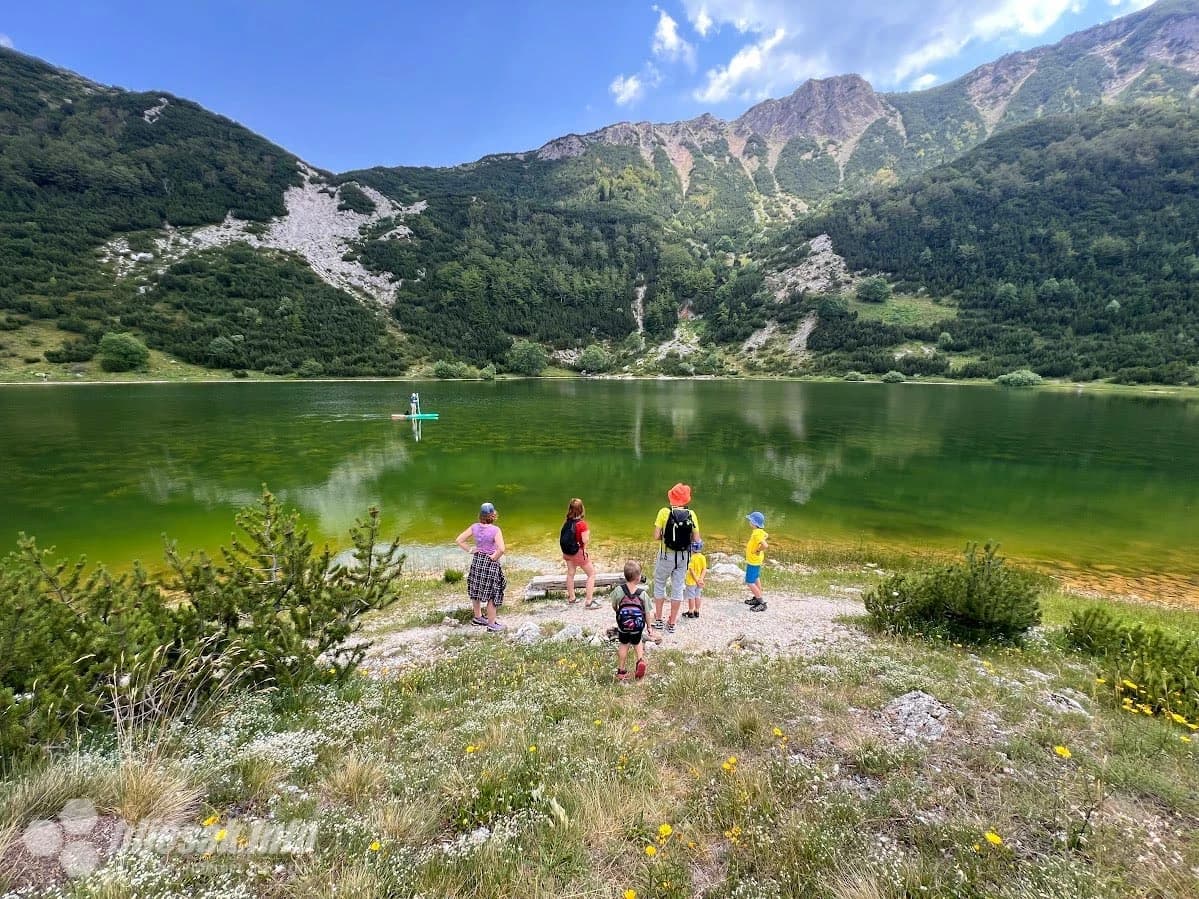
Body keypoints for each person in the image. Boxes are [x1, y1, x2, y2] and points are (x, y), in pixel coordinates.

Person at [652, 483, 700, 634]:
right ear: (686, 499)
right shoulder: (691, 514)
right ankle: (672, 623)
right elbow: (697, 539)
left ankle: (658, 620)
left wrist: (665, 537)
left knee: (660, 584)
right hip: (684, 557)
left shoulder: (664, 512)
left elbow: (656, 536)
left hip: (666, 555)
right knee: (678, 587)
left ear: (671, 497)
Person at [455, 501, 507, 632]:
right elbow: (501, 549)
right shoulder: (495, 530)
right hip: (489, 562)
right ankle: (491, 624)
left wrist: (471, 550)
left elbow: (459, 540)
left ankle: (478, 617)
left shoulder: (474, 527)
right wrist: (494, 557)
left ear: (480, 515)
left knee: (475, 589)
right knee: (493, 592)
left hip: (477, 560)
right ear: (493, 515)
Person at [610, 559, 652, 681]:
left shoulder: (619, 590)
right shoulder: (642, 593)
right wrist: (649, 627)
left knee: (624, 645)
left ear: (625, 576)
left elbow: (614, 604)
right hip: (637, 626)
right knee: (637, 642)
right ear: (638, 578)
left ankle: (621, 671)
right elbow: (647, 612)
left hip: (623, 626)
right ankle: (640, 661)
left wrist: (617, 611)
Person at [560, 498, 598, 608]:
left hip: (567, 553)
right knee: (591, 574)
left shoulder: (567, 522)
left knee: (571, 573)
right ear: (581, 509)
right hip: (577, 552)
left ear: (570, 509)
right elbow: (584, 540)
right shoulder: (581, 524)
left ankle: (572, 598)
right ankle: (589, 601)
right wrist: (585, 547)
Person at [743, 511, 769, 612]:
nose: (749, 522)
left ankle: (761, 602)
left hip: (753, 561)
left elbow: (765, 545)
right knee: (756, 578)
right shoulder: (760, 532)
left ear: (754, 523)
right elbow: (766, 535)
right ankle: (757, 597)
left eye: (750, 520)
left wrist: (757, 550)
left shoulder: (756, 534)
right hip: (757, 560)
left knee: (749, 581)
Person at [683, 539, 707, 619]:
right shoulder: (702, 557)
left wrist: (696, 580)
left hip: (691, 581)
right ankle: (697, 611)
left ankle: (690, 612)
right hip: (699, 582)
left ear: (692, 548)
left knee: (691, 597)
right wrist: (701, 579)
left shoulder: (692, 558)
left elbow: (691, 570)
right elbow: (704, 569)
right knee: (698, 596)